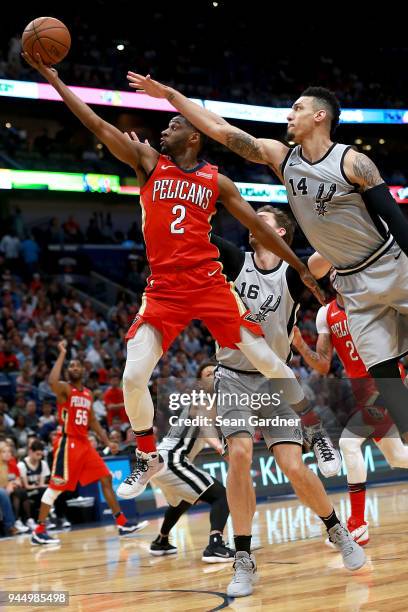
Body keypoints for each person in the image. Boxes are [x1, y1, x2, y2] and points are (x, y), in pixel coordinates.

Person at [23, 52, 324, 501]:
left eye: (173, 125)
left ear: (194, 137)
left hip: (208, 284)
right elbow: (97, 126)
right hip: (163, 289)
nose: (163, 129)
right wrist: (53, 80)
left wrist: (300, 266)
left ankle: (314, 428)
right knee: (132, 376)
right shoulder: (148, 163)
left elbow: (260, 229)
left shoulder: (216, 181)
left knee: (268, 362)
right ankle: (146, 454)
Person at [128, 74, 408, 441]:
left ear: (320, 117)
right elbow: (217, 127)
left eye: (297, 109)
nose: (289, 116)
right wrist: (167, 94)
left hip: (391, 263)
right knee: (387, 382)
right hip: (351, 282)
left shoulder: (352, 162)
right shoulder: (282, 158)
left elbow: (395, 219)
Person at [208, 209, 365, 596]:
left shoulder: (293, 273)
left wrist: (344, 213)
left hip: (276, 378)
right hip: (232, 375)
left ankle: (335, 529)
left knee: (293, 466)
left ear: (279, 231)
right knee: (240, 456)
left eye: (260, 217)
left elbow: (324, 254)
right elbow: (198, 233)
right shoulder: (233, 259)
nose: (250, 221)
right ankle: (243, 558)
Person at [292, 284, 408, 546]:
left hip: (384, 381)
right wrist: (299, 344)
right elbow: (322, 364)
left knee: (348, 443)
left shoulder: (370, 300)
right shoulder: (326, 313)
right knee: (397, 456)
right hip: (362, 390)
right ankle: (358, 525)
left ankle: (358, 524)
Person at [31, 341, 147, 545]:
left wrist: (107, 441)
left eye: (77, 365)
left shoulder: (87, 394)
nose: (74, 368)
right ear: (68, 371)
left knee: (105, 478)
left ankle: (122, 523)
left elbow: (92, 421)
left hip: (84, 443)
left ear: (83, 370)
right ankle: (38, 530)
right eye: (71, 366)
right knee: (56, 487)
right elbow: (51, 381)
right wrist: (62, 354)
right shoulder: (65, 389)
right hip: (68, 443)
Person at [150, 362, 234, 563]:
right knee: (222, 496)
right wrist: (221, 448)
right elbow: (205, 428)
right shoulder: (201, 399)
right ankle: (215, 545)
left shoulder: (217, 404)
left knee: (183, 499)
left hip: (162, 461)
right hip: (172, 459)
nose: (214, 375)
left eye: (216, 372)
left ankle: (161, 540)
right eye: (208, 373)